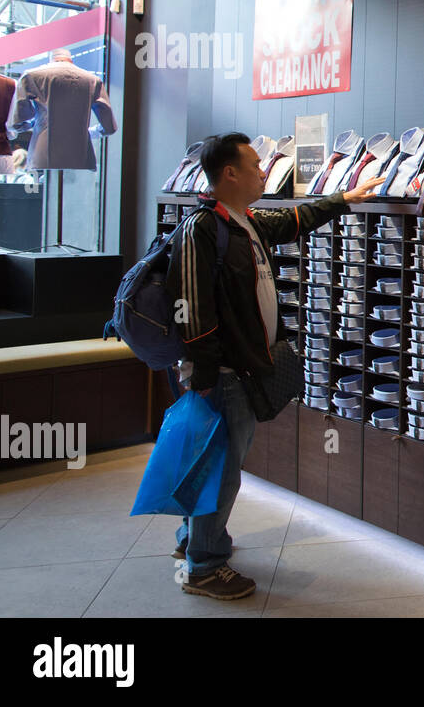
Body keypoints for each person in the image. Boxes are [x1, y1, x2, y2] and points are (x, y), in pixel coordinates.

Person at [165, 132, 383, 599]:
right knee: (221, 467)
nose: (264, 171)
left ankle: (197, 541)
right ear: (230, 173)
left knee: (213, 461)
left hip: (239, 371)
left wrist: (343, 197)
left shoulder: (243, 221)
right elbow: (191, 309)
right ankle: (204, 566)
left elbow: (295, 220)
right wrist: (203, 378)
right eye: (255, 165)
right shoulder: (202, 229)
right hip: (220, 376)